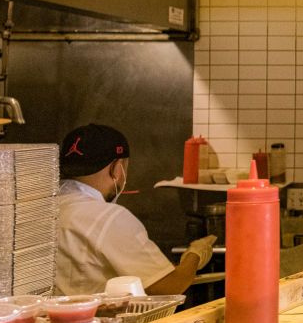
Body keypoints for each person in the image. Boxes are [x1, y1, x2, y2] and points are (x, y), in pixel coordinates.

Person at [54, 123, 214, 295]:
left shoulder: (41, 207)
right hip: (92, 320)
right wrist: (195, 256)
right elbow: (169, 286)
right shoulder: (109, 217)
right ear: (117, 169)